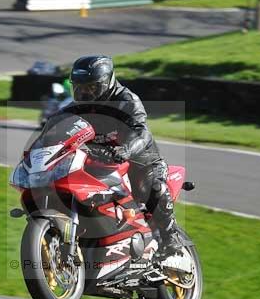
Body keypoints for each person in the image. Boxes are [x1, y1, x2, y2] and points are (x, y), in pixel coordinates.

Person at [60, 55, 183, 254]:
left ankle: (172, 239)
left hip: (139, 161)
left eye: (91, 87)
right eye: (79, 87)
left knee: (152, 188)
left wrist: (126, 149)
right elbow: (53, 128)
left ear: (107, 82)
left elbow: (142, 131)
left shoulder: (126, 100)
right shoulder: (77, 107)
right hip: (98, 162)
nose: (84, 93)